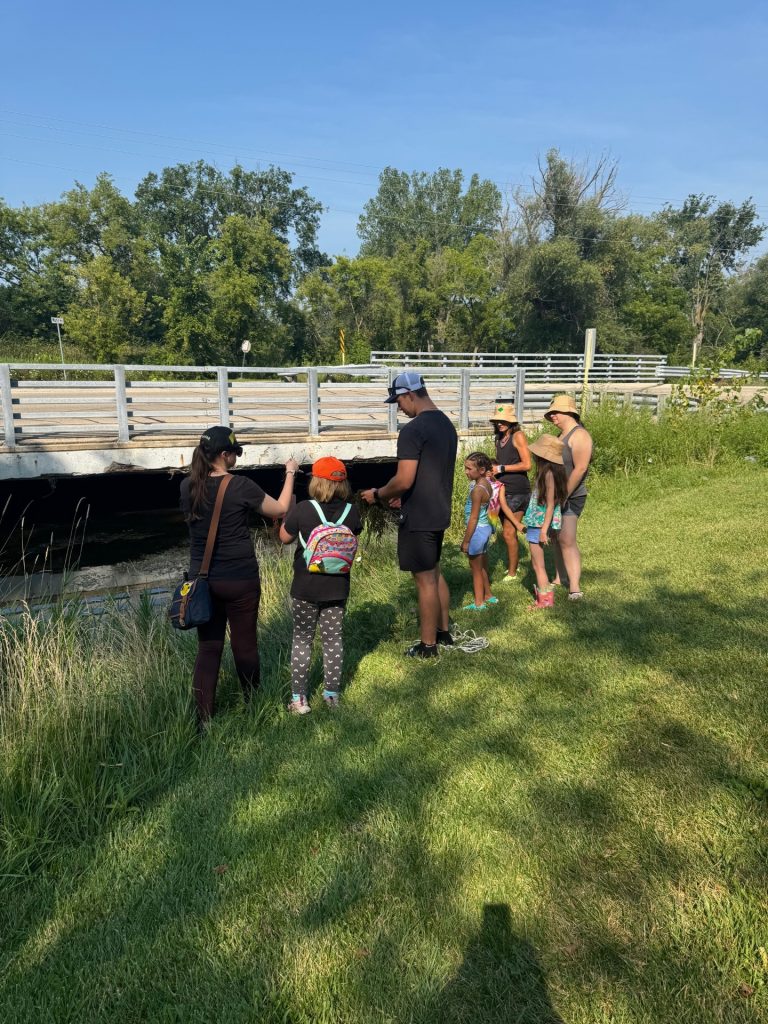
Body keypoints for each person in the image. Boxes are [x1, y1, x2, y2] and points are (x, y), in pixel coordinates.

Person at [179, 426, 298, 727]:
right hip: (240, 579)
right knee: (244, 645)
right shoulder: (241, 485)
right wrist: (291, 474)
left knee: (208, 648)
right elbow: (281, 508)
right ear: (224, 455)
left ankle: (203, 720)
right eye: (233, 452)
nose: (236, 458)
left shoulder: (187, 486)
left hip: (202, 581)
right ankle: (254, 706)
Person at [360, 372, 458, 659]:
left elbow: (403, 479)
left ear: (410, 394)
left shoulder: (413, 431)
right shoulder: (446, 424)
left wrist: (379, 494)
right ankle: (443, 632)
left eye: (399, 401)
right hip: (439, 510)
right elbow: (429, 472)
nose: (399, 408)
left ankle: (428, 647)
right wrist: (404, 494)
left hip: (419, 517)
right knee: (435, 571)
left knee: (424, 580)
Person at [279, 456, 362, 714]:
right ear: (342, 483)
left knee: (302, 640)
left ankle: (299, 700)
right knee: (333, 639)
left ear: (316, 481)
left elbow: (284, 538)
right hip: (337, 588)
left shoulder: (304, 509)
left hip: (305, 587)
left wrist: (286, 518)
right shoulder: (352, 511)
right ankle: (331, 695)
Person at [543, 395, 593, 600]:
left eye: (556, 412)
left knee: (567, 539)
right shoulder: (562, 434)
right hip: (557, 496)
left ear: (569, 412)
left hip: (571, 496)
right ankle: (558, 577)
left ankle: (574, 587)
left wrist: (563, 495)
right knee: (557, 537)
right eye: (551, 413)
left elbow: (580, 468)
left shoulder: (579, 435)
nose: (552, 416)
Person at [460, 451, 522, 611]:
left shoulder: (477, 490)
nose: (466, 471)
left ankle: (479, 603)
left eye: (469, 469)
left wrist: (466, 541)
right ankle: (488, 595)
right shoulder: (486, 483)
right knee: (482, 566)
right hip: (485, 529)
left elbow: (473, 518)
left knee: (475, 569)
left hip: (476, 532)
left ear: (481, 470)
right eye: (465, 468)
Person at [522, 434, 567, 610]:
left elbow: (550, 504)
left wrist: (543, 530)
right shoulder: (549, 472)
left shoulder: (548, 475)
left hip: (540, 523)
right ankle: (544, 596)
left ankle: (545, 602)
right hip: (537, 522)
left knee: (538, 565)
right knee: (536, 563)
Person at [489, 403, 531, 582]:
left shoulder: (518, 436)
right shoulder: (499, 439)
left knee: (508, 532)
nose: (500, 423)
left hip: (518, 490)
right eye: (497, 420)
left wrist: (501, 467)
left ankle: (513, 572)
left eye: (503, 420)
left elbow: (527, 464)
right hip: (503, 490)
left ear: (511, 421)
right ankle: (512, 567)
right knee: (507, 532)